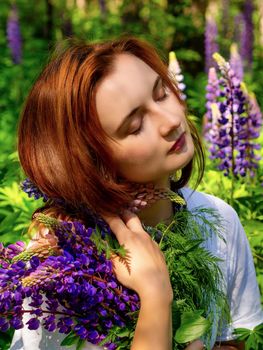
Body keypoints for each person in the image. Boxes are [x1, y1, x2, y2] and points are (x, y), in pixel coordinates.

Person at [10, 37, 262, 350]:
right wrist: (155, 296)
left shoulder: (220, 220)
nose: (171, 121)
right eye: (135, 124)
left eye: (162, 93)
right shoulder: (61, 266)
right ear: (91, 161)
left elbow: (232, 339)